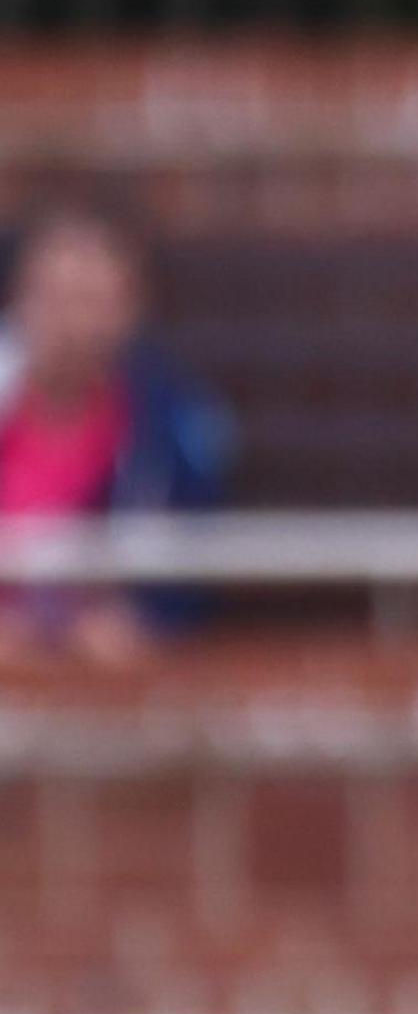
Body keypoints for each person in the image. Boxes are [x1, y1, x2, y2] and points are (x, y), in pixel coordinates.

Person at [0, 204, 231, 669]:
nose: (70, 323)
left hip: (108, 658)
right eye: (53, 296)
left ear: (129, 310)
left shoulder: (172, 427)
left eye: (90, 299)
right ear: (19, 300)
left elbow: (193, 565)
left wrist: (142, 621)